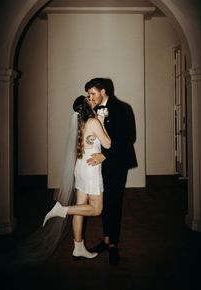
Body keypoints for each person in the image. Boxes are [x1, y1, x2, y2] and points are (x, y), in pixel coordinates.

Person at [42, 95, 111, 260]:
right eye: (89, 98)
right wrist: (101, 121)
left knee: (80, 208)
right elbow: (107, 143)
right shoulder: (93, 122)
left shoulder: (81, 122)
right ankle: (61, 210)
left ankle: (78, 247)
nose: (91, 98)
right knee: (96, 209)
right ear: (87, 106)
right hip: (91, 170)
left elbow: (91, 140)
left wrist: (100, 118)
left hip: (80, 167)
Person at [85, 78, 136, 265]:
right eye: (88, 94)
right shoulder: (93, 108)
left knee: (114, 201)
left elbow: (128, 137)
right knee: (104, 200)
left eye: (92, 93)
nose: (90, 97)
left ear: (103, 91)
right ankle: (106, 239)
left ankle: (113, 244)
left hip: (117, 162)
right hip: (100, 164)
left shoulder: (122, 108)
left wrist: (105, 155)